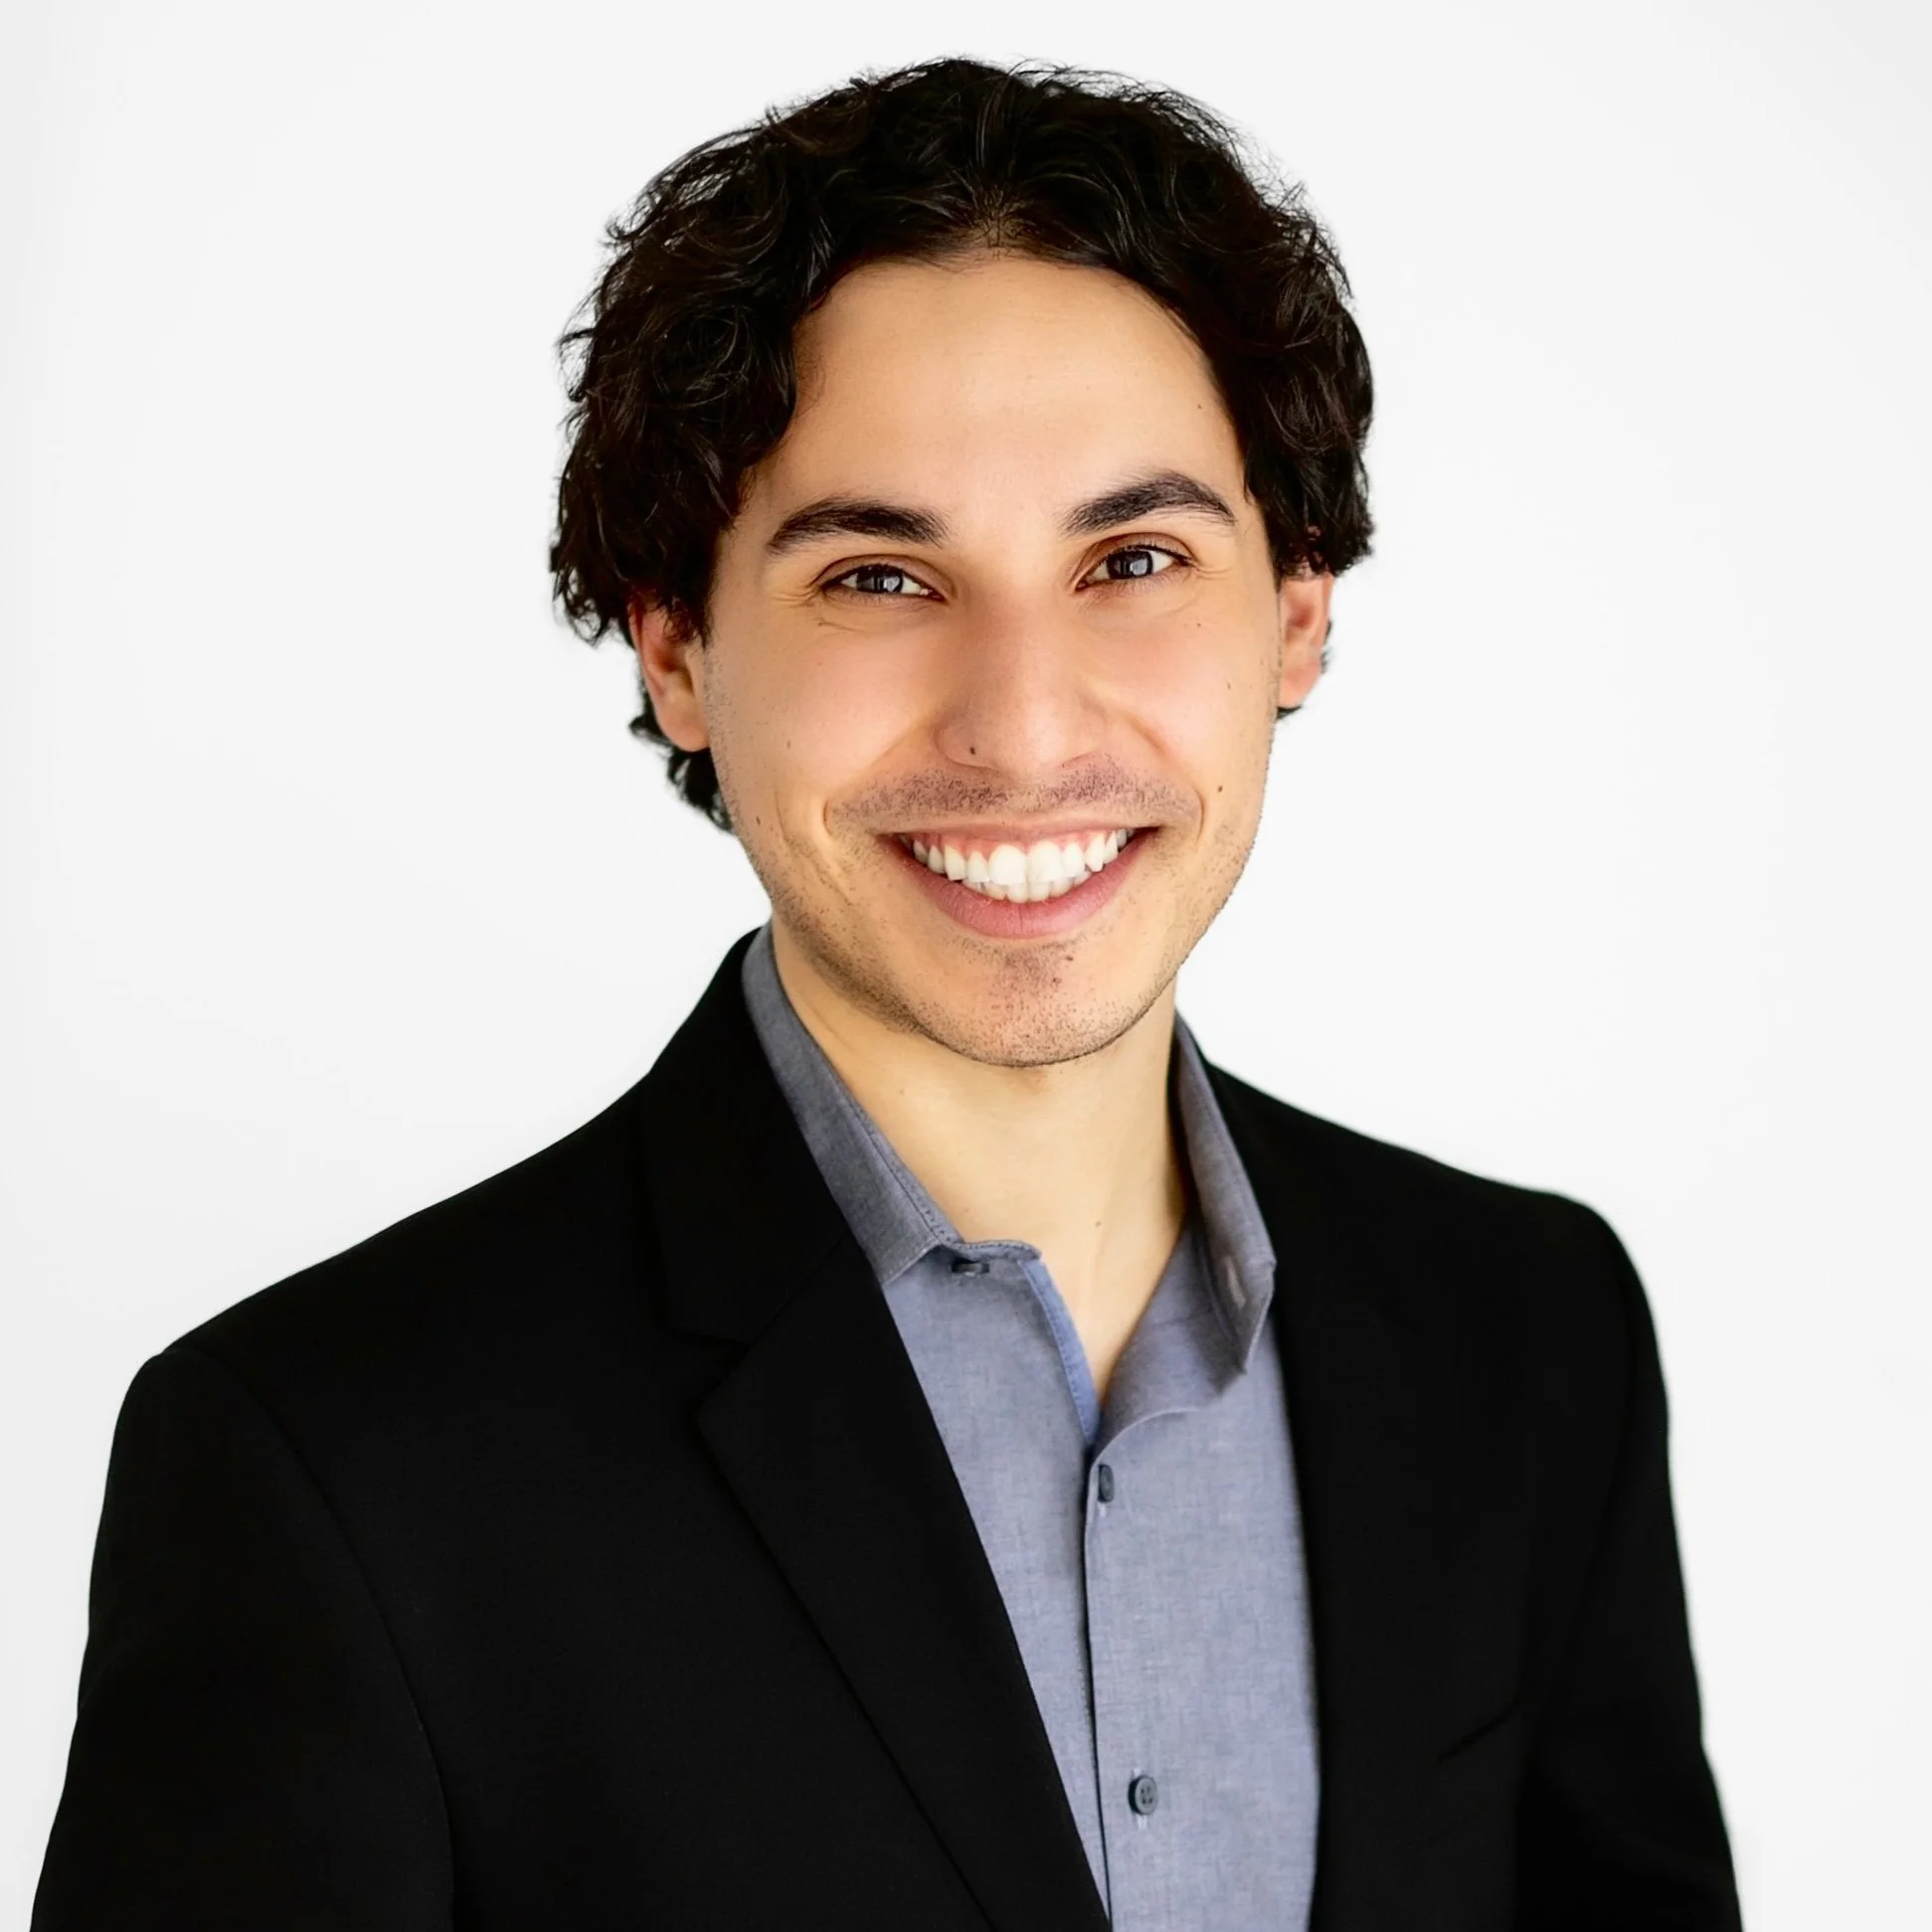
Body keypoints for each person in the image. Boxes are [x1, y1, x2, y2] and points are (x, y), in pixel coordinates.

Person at [33, 58, 1742, 1931]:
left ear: (1299, 610)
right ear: (677, 644)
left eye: (1136, 557)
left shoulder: (1529, 1336)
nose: (1020, 721)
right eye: (877, 574)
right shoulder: (328, 1466)